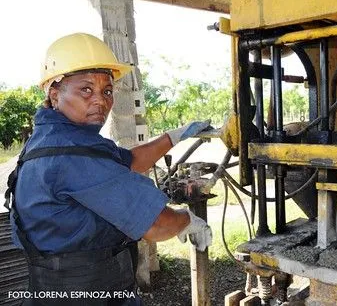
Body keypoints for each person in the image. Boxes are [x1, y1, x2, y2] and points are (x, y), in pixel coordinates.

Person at [5, 33, 212, 306]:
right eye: (86, 90)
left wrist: (174, 136)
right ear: (55, 94)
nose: (101, 101)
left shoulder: (57, 140)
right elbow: (156, 224)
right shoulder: (71, 155)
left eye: (107, 91)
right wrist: (187, 219)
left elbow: (131, 161)